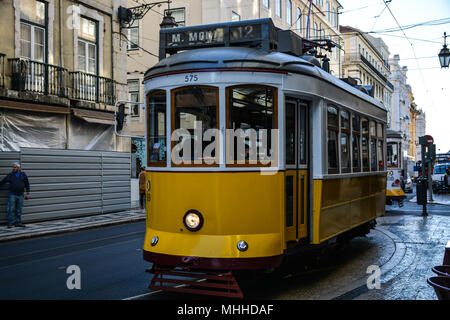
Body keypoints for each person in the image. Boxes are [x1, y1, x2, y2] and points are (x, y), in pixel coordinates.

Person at [0, 162, 30, 228]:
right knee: (11, 209)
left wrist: (28, 193)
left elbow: (27, 184)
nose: (14, 168)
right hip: (12, 195)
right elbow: (3, 181)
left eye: (15, 167)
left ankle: (18, 223)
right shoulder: (10, 175)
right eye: (13, 167)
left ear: (19, 168)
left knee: (19, 210)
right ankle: (10, 223)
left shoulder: (23, 174)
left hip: (21, 195)